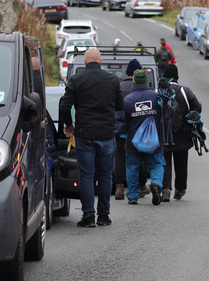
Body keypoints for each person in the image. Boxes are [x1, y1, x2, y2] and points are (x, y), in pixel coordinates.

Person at [59, 48, 124, 228]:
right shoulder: (112, 80)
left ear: (85, 62)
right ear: (101, 61)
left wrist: (68, 124)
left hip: (85, 134)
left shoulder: (77, 79)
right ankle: (104, 215)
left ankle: (88, 215)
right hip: (106, 134)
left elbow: (65, 106)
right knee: (105, 176)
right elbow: (119, 105)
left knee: (87, 175)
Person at [118, 69, 165, 206]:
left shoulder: (128, 100)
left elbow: (121, 120)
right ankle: (156, 183)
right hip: (153, 141)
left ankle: (133, 195)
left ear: (134, 82)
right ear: (146, 81)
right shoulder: (156, 97)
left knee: (132, 167)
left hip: (133, 142)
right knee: (156, 164)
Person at [159, 64, 202, 202]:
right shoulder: (184, 91)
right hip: (182, 133)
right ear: (177, 77)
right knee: (181, 161)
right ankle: (179, 189)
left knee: (164, 161)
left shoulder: (159, 91)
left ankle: (165, 189)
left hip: (164, 133)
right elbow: (197, 107)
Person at [114, 59, 148, 201]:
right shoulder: (143, 90)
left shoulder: (118, 87)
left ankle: (119, 187)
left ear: (127, 73)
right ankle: (141, 186)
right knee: (139, 158)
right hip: (138, 132)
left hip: (120, 130)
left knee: (120, 157)